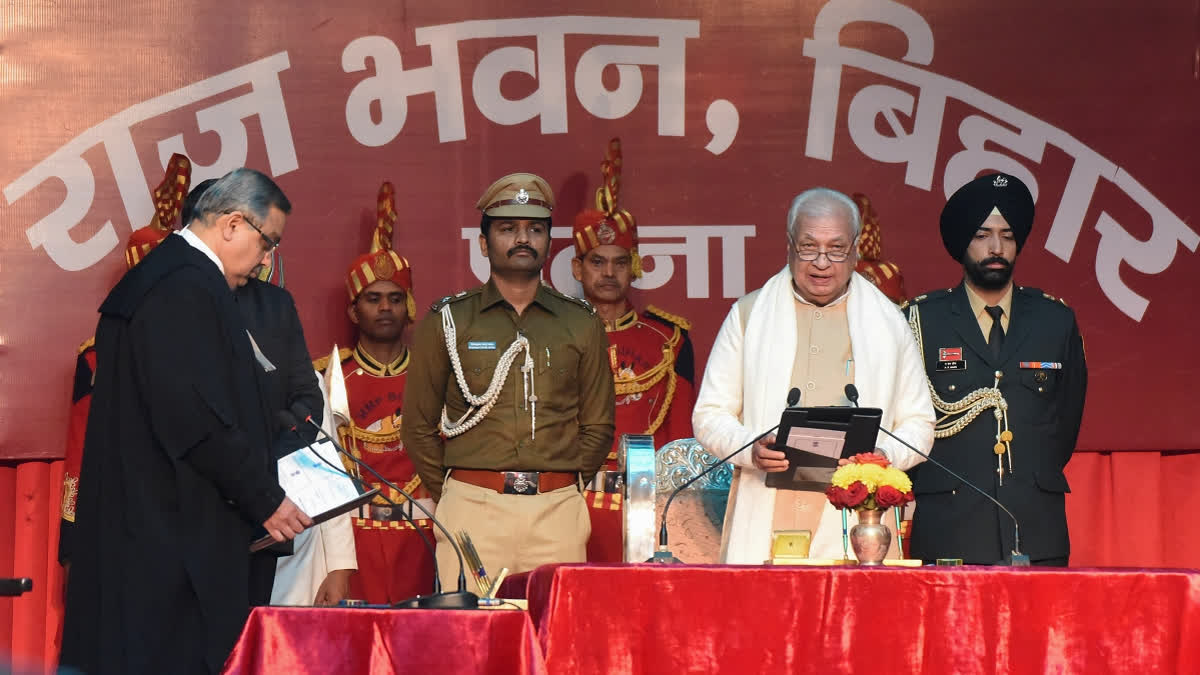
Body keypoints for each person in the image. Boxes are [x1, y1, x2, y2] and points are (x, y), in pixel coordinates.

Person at [60, 168, 311, 674]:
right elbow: (195, 415)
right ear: (233, 224)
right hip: (169, 545)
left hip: (149, 530)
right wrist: (264, 497)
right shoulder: (186, 287)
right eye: (269, 243)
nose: (267, 260)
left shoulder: (163, 278)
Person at [692, 187, 934, 564]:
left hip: (855, 516)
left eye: (836, 249)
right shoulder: (748, 315)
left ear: (855, 250)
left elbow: (920, 425)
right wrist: (750, 448)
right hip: (766, 504)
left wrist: (881, 458)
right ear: (789, 245)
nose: (822, 262)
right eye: (809, 247)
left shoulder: (890, 324)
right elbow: (709, 416)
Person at [403, 172, 615, 587]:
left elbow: (598, 426)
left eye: (535, 230)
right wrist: (457, 496)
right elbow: (416, 428)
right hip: (473, 508)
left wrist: (561, 487)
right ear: (484, 243)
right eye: (507, 229)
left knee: (552, 640)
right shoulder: (449, 320)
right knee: (469, 640)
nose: (523, 239)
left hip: (557, 511)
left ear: (549, 242)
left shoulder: (581, 322)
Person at [178, 178, 353, 606]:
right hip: (190, 519)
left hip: (269, 516)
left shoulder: (274, 306)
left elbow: (308, 405)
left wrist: (264, 469)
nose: (265, 255)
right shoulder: (169, 305)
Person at [903, 172, 1087, 566]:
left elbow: (1065, 424)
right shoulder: (920, 321)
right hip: (949, 531)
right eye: (982, 235)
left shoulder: (1055, 320)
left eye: (1007, 235)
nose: (996, 247)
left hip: (1036, 529)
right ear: (962, 244)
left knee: (1038, 630)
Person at [59, 153, 191, 574]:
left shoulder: (201, 348)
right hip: (116, 514)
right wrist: (73, 531)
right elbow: (80, 448)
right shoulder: (95, 357)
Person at [570, 139, 695, 562]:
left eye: (620, 262)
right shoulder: (552, 338)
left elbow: (681, 442)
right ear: (576, 267)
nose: (609, 272)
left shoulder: (669, 340)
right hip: (570, 507)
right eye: (597, 261)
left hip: (647, 508)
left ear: (635, 265)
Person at [312, 181, 434, 604]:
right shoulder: (327, 378)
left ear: (409, 307)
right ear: (353, 309)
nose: (385, 308)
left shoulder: (436, 376)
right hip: (352, 542)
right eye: (373, 298)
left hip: (424, 540)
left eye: (396, 298)